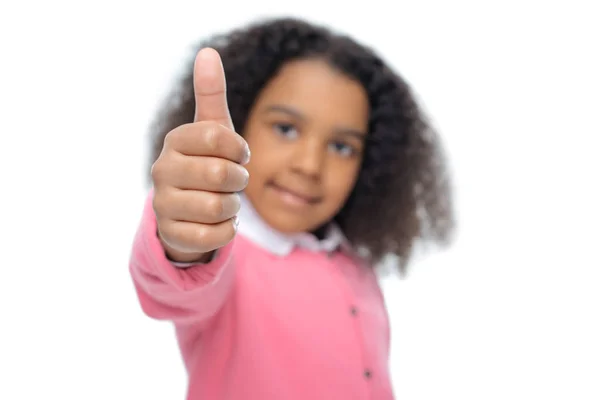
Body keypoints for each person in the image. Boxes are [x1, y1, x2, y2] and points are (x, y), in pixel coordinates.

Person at [129, 17, 454, 400]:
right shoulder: (224, 259)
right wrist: (185, 234)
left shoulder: (350, 260)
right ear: (241, 120)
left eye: (341, 147)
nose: (309, 165)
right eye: (285, 128)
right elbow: (176, 284)